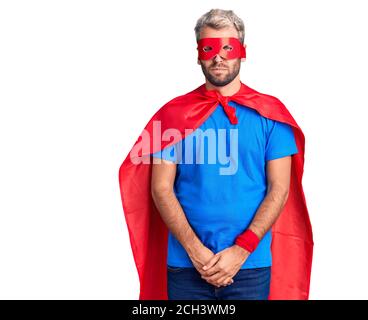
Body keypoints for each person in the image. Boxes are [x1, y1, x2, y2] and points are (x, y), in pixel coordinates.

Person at [150, 9, 299, 300]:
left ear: (242, 52)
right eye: (209, 48)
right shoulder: (171, 115)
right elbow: (160, 187)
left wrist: (241, 250)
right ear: (198, 55)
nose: (218, 57)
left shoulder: (272, 115)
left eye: (228, 47)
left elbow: (279, 189)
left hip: (249, 266)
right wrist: (196, 252)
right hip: (186, 266)